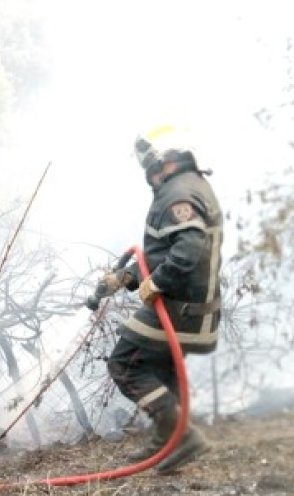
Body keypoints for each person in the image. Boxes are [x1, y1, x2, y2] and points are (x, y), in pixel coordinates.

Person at [90, 125, 222, 474]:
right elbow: (163, 251)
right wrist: (124, 278)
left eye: (151, 166)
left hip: (181, 310)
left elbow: (190, 247)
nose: (149, 174)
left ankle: (181, 435)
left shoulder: (177, 194)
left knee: (125, 362)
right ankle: (168, 438)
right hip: (191, 308)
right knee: (159, 367)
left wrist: (156, 283)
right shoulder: (187, 187)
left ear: (166, 161)